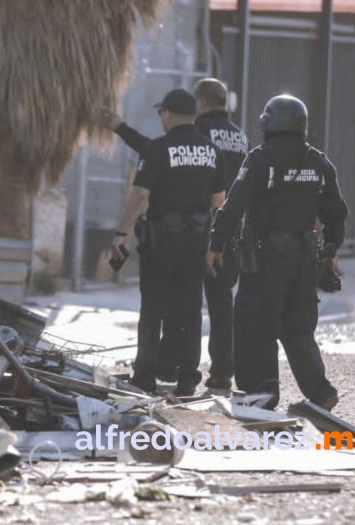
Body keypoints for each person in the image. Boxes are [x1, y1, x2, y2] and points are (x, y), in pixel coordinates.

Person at [102, 78, 248, 392]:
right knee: (191, 308)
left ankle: (145, 376)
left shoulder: (160, 148)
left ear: (168, 114)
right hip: (198, 242)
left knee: (153, 308)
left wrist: (120, 233)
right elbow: (219, 201)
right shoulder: (215, 150)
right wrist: (217, 242)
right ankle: (188, 376)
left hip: (161, 241)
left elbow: (140, 194)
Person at [206, 94, 347, 411]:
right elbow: (336, 215)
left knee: (255, 323)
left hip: (266, 258)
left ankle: (262, 391)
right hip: (304, 257)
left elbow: (233, 206)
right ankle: (321, 391)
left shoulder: (259, 159)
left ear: (268, 122)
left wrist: (216, 244)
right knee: (298, 329)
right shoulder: (319, 162)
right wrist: (330, 251)